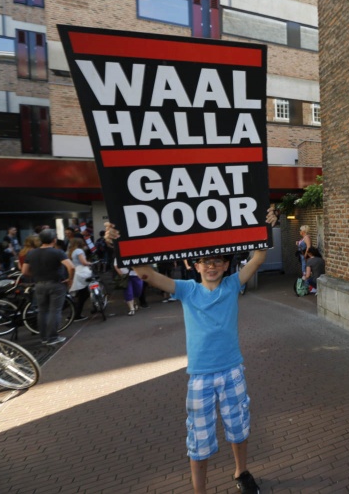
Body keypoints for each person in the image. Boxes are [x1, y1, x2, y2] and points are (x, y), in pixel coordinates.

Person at [105, 207, 277, 494]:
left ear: (225, 265)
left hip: (232, 369)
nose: (211, 266)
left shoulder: (234, 284)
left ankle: (241, 472)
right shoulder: (186, 290)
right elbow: (146, 274)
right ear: (195, 265)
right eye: (205, 261)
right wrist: (120, 243)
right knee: (199, 438)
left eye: (218, 261)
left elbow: (258, 257)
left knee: (239, 427)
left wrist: (268, 225)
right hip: (200, 376)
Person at [21, 229, 74, 346]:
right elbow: (71, 267)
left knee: (42, 311)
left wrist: (35, 275)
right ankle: (53, 337)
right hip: (56, 284)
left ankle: (44, 337)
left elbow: (24, 271)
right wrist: (70, 279)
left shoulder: (31, 253)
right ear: (54, 240)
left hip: (39, 284)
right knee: (55, 311)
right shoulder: (58, 252)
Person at [67, 237, 92, 322]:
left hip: (77, 272)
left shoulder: (71, 252)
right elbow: (84, 262)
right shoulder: (79, 251)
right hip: (82, 272)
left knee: (80, 294)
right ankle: (76, 315)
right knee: (84, 294)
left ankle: (73, 314)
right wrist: (89, 263)